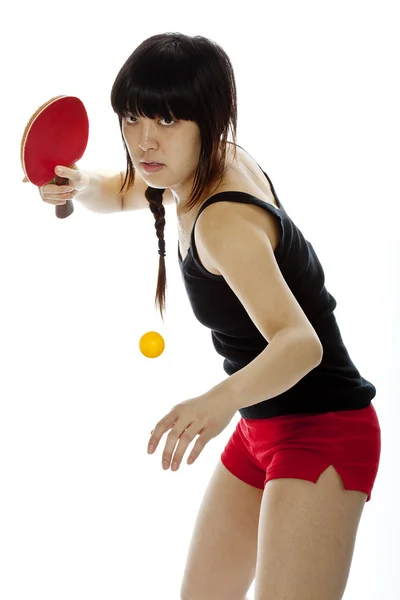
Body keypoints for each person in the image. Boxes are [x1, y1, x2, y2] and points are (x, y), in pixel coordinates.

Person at [29, 32, 381, 600]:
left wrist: (214, 402)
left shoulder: (224, 222)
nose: (145, 141)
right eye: (133, 118)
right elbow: (124, 188)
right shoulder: (201, 164)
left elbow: (300, 344)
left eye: (167, 121)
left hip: (324, 430)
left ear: (206, 121)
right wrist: (80, 182)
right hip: (261, 426)